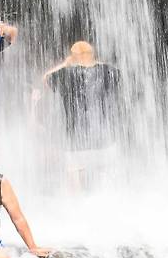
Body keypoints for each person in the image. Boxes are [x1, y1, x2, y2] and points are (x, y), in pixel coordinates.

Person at [42, 41, 121, 188]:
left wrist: (66, 63)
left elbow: (45, 78)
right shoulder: (108, 71)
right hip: (104, 140)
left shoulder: (65, 74)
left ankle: (76, 208)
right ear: (93, 55)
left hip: (76, 141)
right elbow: (117, 74)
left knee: (74, 177)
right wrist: (92, 61)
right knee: (107, 179)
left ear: (73, 57)